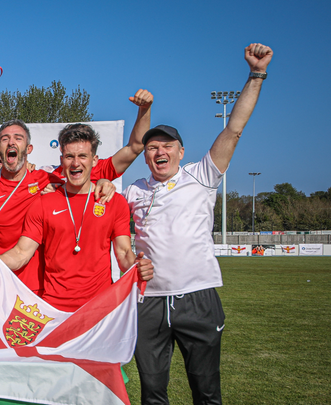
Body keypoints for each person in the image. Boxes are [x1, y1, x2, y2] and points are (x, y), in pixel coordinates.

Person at [122, 43, 273, 405]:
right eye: (152, 147)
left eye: (167, 146)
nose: (159, 152)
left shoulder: (201, 176)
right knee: (152, 393)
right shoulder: (132, 191)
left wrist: (256, 75)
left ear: (181, 151)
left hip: (198, 297)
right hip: (148, 302)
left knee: (206, 393)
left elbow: (234, 129)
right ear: (145, 157)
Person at [0, 123, 154, 312]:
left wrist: (136, 266)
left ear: (94, 160)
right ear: (62, 160)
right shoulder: (43, 202)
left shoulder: (113, 201)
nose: (76, 163)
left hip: (99, 309)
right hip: (53, 310)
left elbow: (124, 253)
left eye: (82, 156)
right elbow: (21, 253)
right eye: (69, 157)